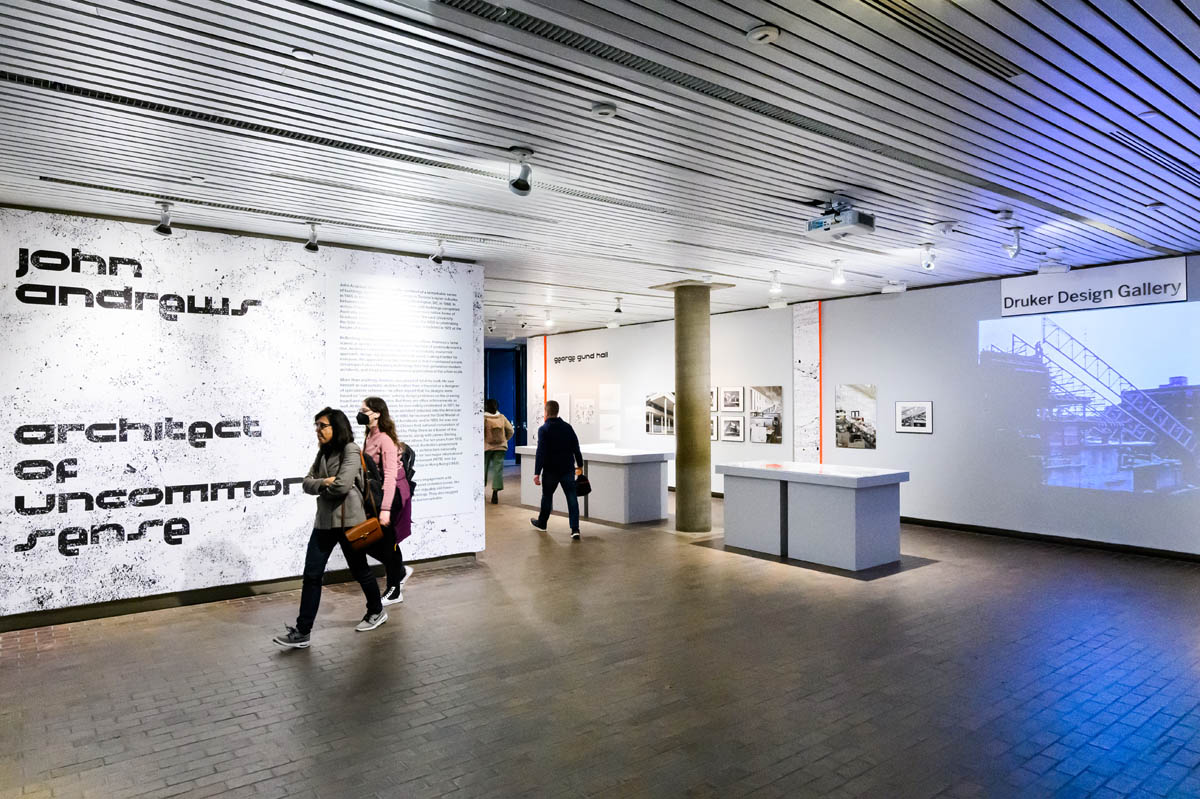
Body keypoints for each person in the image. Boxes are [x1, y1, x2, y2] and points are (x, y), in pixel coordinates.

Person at [273, 408, 386, 649]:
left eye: (322, 425)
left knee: (360, 571)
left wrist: (324, 485)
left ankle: (376, 610)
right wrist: (324, 482)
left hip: (349, 522)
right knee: (312, 574)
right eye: (316, 425)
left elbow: (343, 486)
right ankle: (303, 631)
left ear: (337, 427)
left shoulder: (351, 450)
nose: (318, 430)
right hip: (324, 522)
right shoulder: (322, 454)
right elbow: (305, 483)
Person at [358, 397, 414, 606]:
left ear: (377, 413)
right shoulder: (369, 436)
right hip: (377, 496)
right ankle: (399, 571)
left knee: (388, 542)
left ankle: (394, 589)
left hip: (392, 496)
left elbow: (390, 476)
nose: (360, 413)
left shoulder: (385, 440)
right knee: (369, 542)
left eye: (364, 410)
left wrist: (385, 509)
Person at [529, 400, 584, 540]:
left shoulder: (544, 429)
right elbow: (576, 448)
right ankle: (575, 529)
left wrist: (537, 472)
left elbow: (541, 452)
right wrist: (580, 465)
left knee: (547, 497)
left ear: (546, 412)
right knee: (572, 498)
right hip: (567, 469)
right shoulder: (568, 427)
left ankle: (542, 523)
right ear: (558, 411)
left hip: (550, 470)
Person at [483, 399, 514, 504]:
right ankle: (495, 494)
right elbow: (511, 430)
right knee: (498, 470)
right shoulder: (502, 417)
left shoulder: (483, 418)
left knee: (483, 469)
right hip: (500, 447)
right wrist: (505, 439)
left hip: (486, 447)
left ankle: (480, 492)